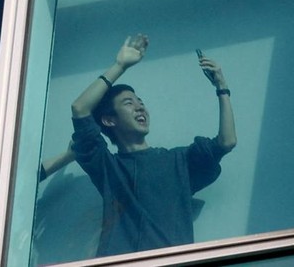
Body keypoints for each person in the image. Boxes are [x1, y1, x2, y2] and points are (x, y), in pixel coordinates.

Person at [69, 34, 236, 257]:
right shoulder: (108, 167)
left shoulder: (178, 161)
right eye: (129, 103)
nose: (140, 108)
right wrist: (120, 66)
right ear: (109, 120)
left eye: (142, 103)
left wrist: (222, 87)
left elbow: (226, 142)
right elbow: (80, 109)